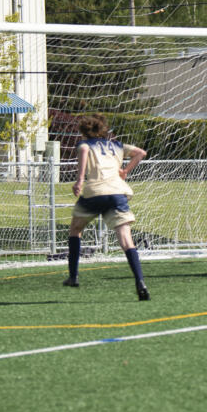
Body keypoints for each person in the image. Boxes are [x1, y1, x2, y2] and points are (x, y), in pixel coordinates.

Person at [63, 113, 151, 300]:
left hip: (95, 192)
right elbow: (141, 153)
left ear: (84, 132)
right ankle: (140, 282)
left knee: (75, 229)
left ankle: (73, 276)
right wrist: (125, 171)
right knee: (126, 239)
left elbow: (85, 150)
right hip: (118, 193)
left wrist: (79, 180)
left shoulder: (85, 143)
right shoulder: (117, 145)